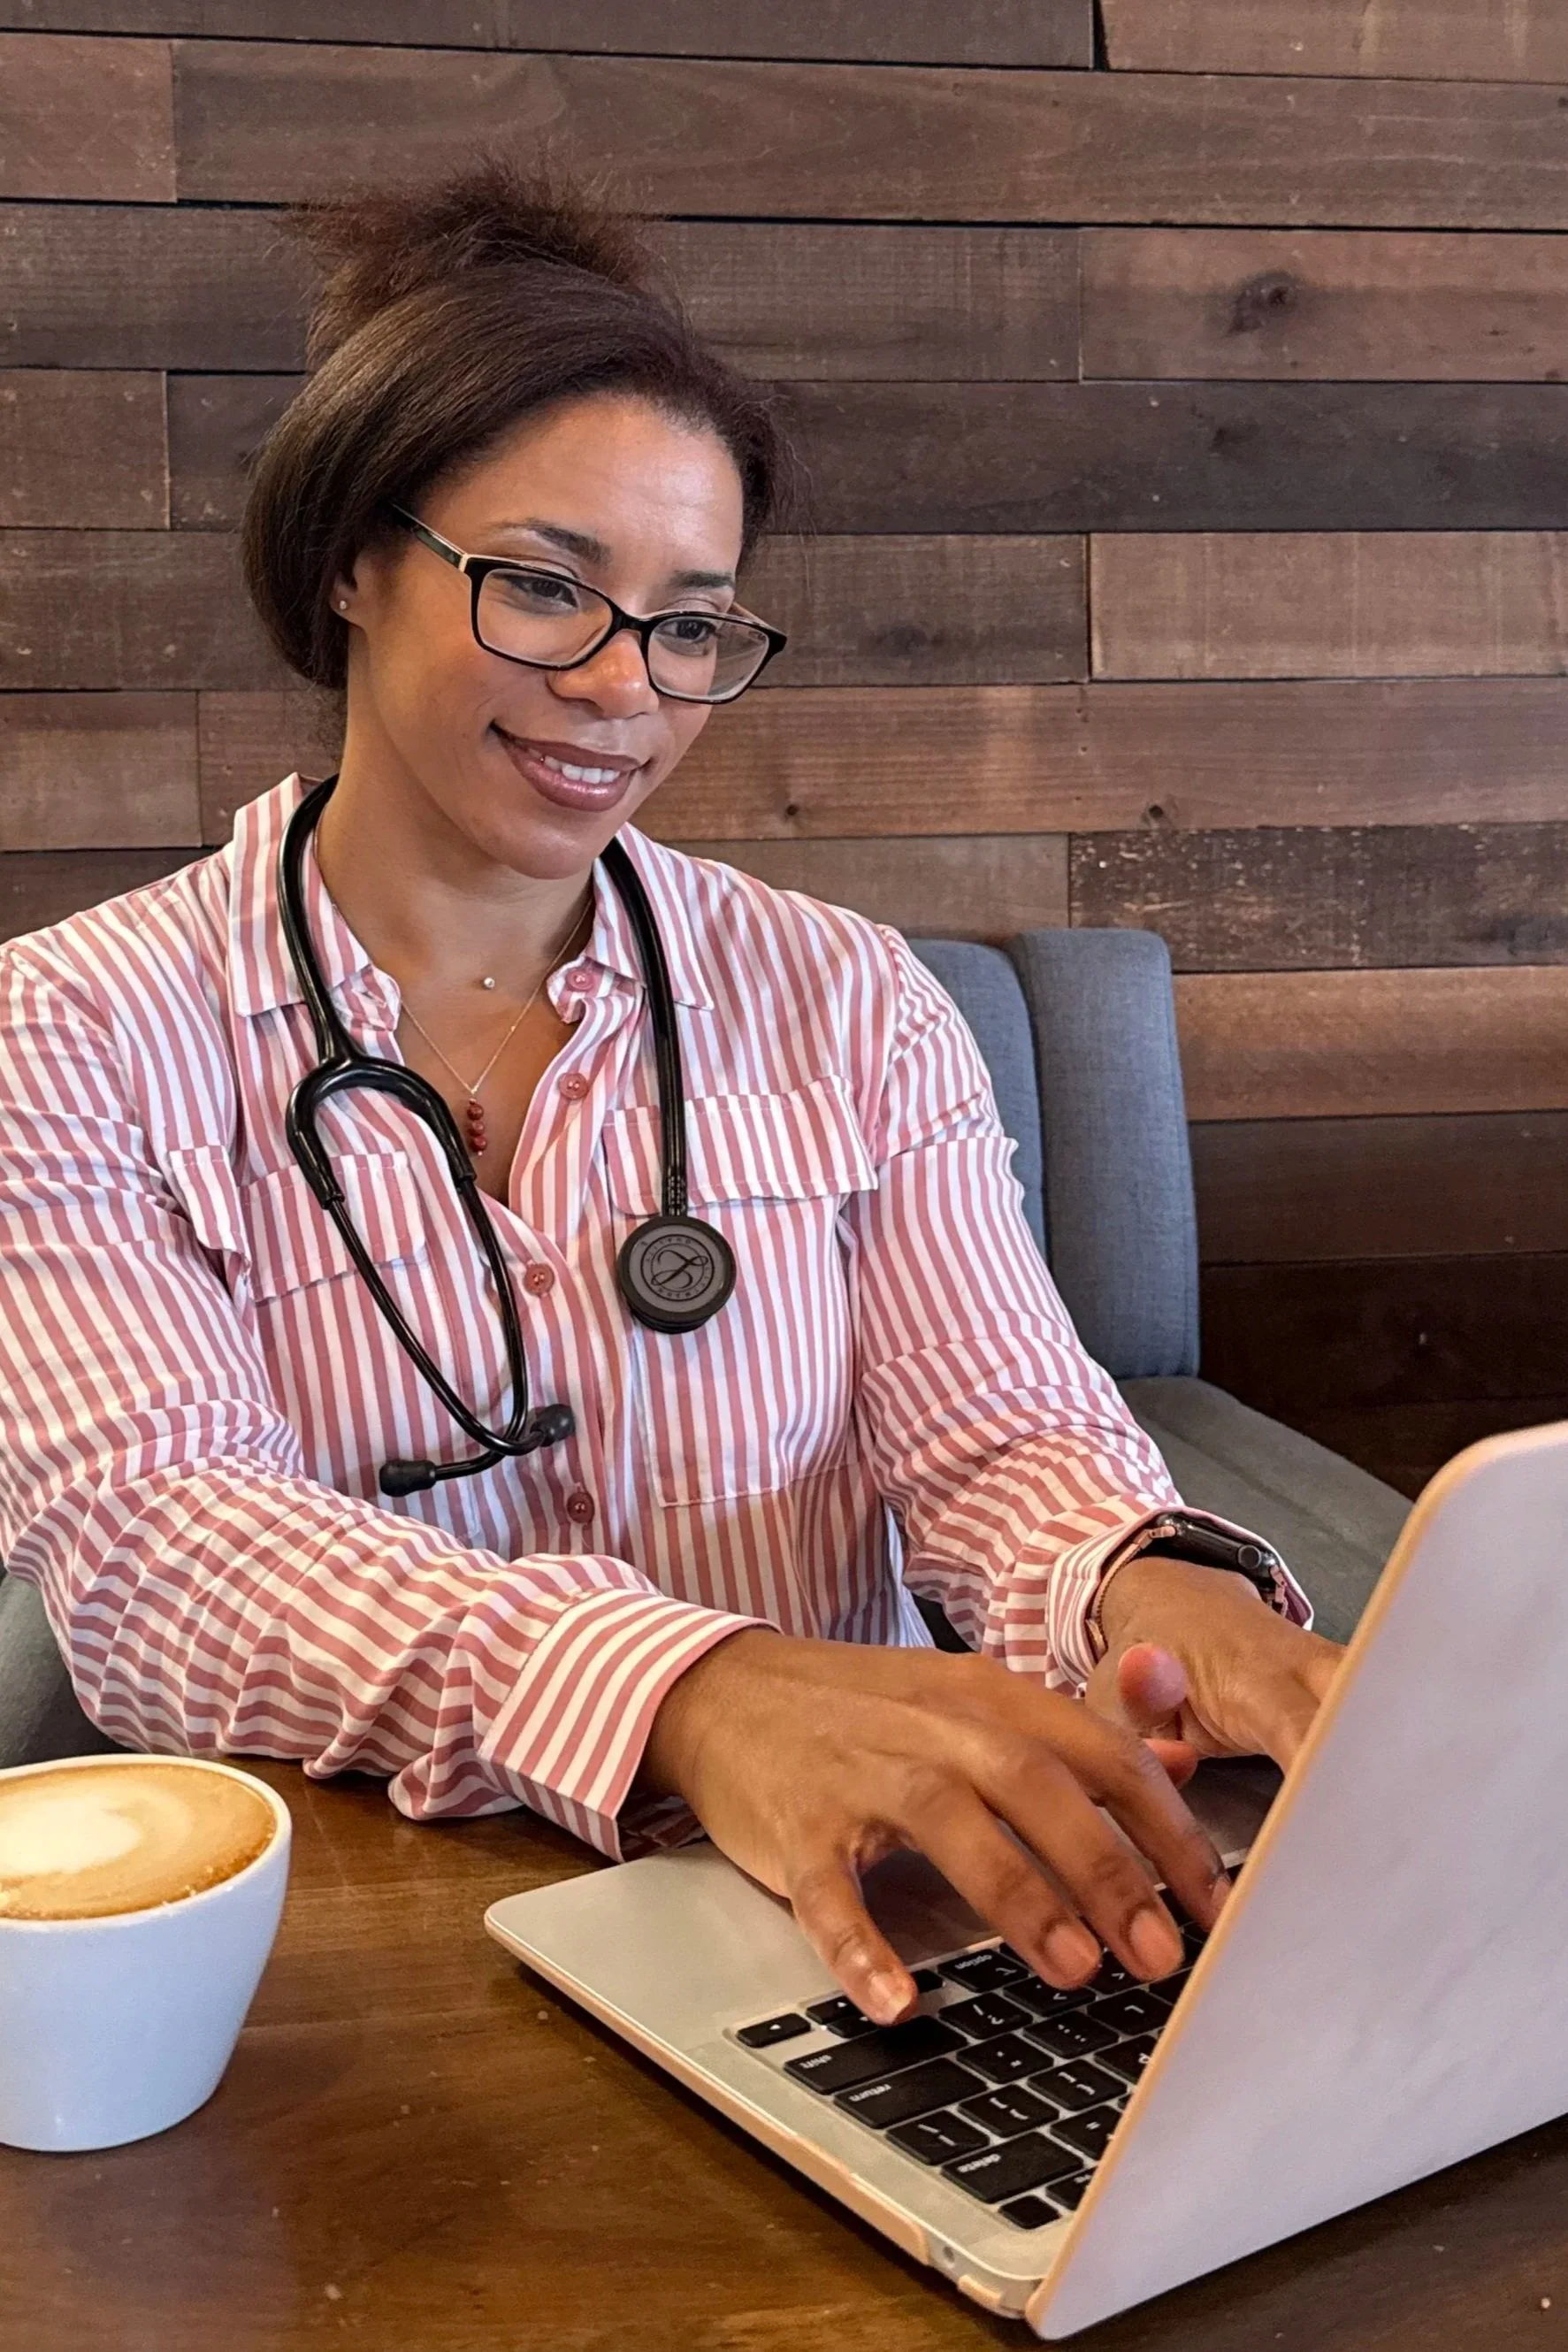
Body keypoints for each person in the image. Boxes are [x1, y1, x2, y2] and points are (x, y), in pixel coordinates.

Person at [0, 162, 1340, 2026]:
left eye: (693, 623)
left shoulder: (845, 998)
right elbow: (159, 1550)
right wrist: (687, 1689)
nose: (625, 687)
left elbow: (1000, 1443)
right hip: (377, 1968)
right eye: (547, 588)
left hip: (851, 1932)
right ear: (347, 561)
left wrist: (1149, 1582)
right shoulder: (66, 1035)